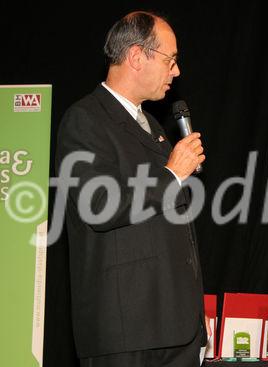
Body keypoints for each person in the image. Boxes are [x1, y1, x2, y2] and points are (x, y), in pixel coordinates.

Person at [56, 11, 208, 367]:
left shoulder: (152, 125)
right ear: (137, 56)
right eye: (170, 60)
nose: (177, 71)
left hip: (175, 327)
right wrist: (171, 175)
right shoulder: (85, 119)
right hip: (127, 332)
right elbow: (99, 206)